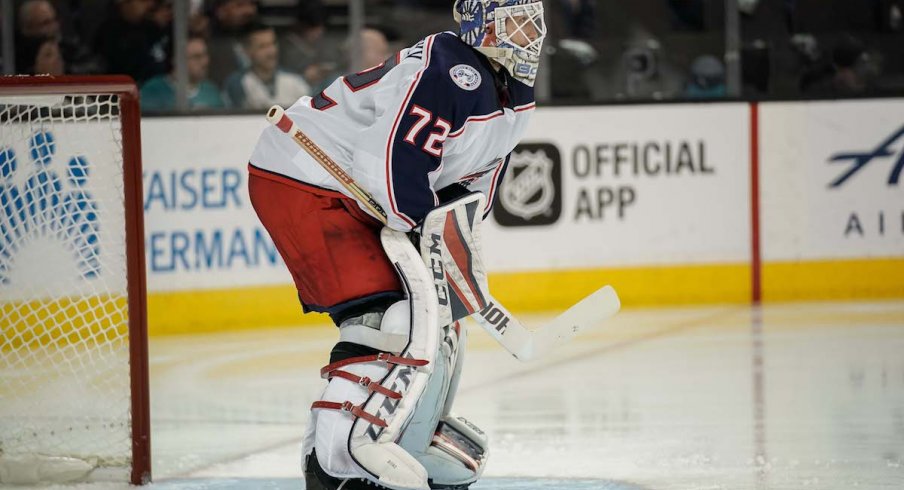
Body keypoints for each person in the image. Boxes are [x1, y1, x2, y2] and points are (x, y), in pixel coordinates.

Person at [245, 0, 545, 488]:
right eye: (515, 20)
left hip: (357, 194)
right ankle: (337, 457)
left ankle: (409, 433)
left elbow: (475, 185)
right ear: (477, 23)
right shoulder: (449, 70)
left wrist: (450, 239)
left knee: (438, 317)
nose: (530, 33)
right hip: (303, 179)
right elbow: (389, 161)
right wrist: (416, 220)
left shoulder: (518, 91)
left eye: (534, 19)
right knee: (389, 317)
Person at [223, 23, 311, 109]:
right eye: (262, 46)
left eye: (273, 43)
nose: (271, 51)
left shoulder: (294, 79)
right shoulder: (237, 84)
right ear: (247, 51)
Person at [140, 35, 225, 111]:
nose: (205, 62)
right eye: (197, 57)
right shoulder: (154, 90)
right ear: (176, 60)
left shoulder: (211, 91)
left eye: (205, 55)